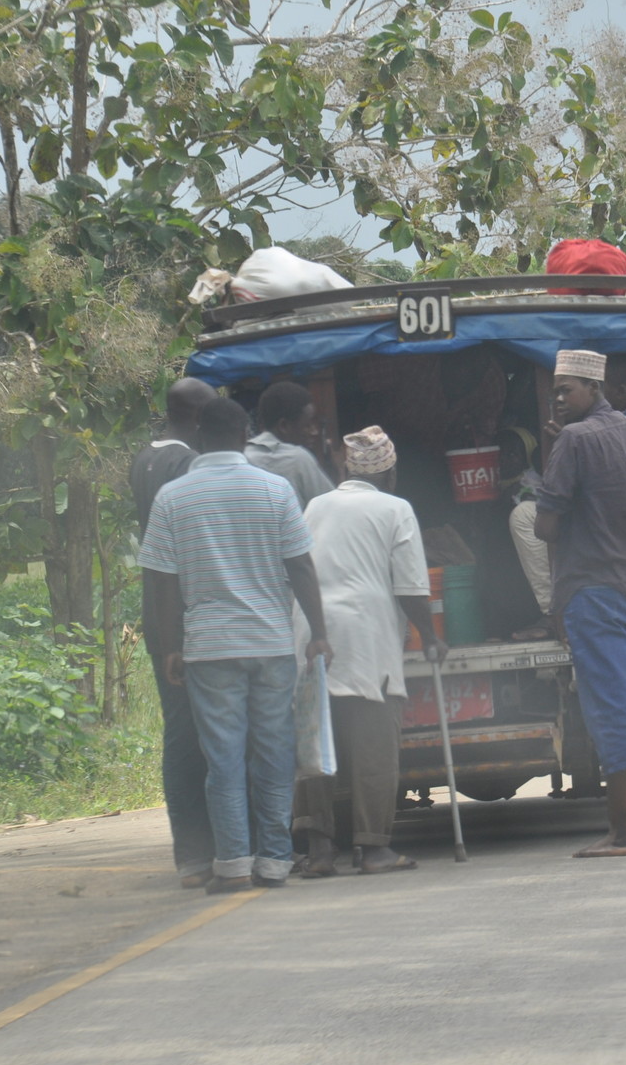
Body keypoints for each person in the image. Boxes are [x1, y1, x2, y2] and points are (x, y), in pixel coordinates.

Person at [141, 398, 331, 893]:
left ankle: (232, 865)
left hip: (208, 647)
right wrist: (319, 632)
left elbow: (161, 580)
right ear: (245, 435)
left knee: (222, 760)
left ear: (200, 433)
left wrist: (170, 646)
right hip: (269, 641)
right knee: (273, 755)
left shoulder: (172, 498)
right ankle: (273, 861)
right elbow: (300, 566)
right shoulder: (274, 490)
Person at [534, 349, 626, 858]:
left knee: (611, 710)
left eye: (567, 388)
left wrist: (554, 464)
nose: (557, 397)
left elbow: (546, 524)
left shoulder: (573, 440)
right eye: (554, 389)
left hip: (592, 589)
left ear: (593, 388)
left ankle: (620, 833)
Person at [294, 427, 447, 878]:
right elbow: (411, 587)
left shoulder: (316, 505)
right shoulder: (395, 508)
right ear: (391, 473)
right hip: (365, 637)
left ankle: (320, 851)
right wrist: (430, 635)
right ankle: (374, 848)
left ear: (346, 468)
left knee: (319, 743)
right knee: (374, 745)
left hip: (315, 632)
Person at [130, 377, 219, 890]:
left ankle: (190, 850)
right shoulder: (186, 464)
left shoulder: (143, 457)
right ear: (197, 417)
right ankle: (202, 850)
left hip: (157, 614)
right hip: (184, 615)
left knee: (180, 731)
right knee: (200, 734)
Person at [500, 426, 553, 640]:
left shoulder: (531, 484)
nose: (505, 460)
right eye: (501, 454)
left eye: (513, 454)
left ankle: (552, 615)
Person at [247, 380, 335, 508]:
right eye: (307, 425)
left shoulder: (243, 456)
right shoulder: (298, 459)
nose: (314, 431)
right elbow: (330, 508)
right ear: (283, 426)